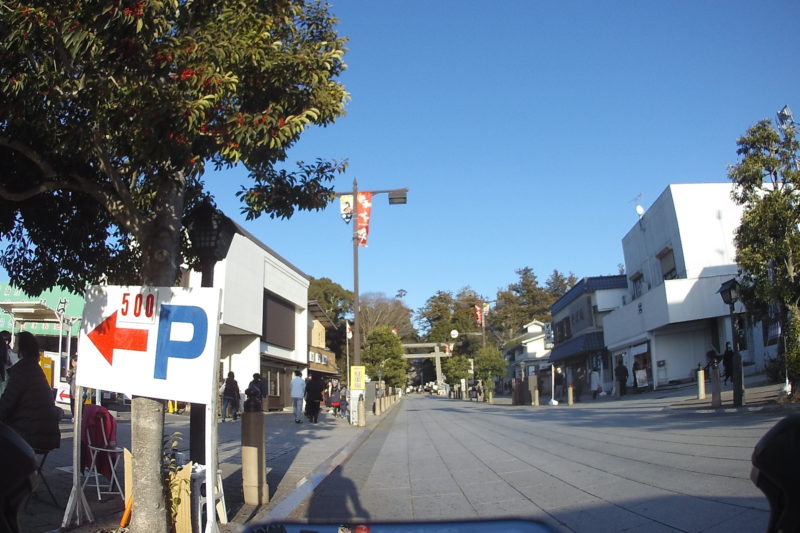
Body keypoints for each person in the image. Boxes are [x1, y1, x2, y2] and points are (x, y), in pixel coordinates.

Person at [0, 332, 61, 452]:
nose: (12, 348)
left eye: (15, 344)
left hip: (29, 434)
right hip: (46, 435)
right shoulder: (35, 368)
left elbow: (6, 405)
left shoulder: (21, 371)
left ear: (22, 348)